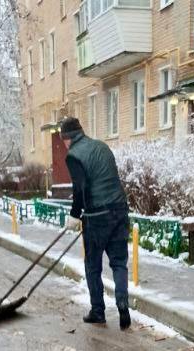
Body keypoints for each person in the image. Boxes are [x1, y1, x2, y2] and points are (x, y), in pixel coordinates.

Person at [60, 116, 130, 330]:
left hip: (97, 217)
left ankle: (98, 312)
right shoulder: (101, 146)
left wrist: (74, 215)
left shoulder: (73, 155)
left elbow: (80, 188)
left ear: (67, 138)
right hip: (120, 210)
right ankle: (122, 303)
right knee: (119, 262)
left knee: (92, 266)